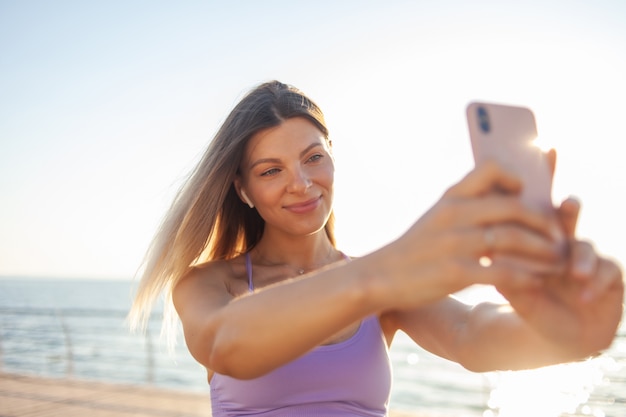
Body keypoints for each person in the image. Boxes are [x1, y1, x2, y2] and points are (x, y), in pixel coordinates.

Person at [129, 80, 623, 417]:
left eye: (313, 158)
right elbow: (224, 344)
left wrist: (568, 335)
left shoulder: (379, 282)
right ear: (243, 190)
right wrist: (384, 273)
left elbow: (471, 332)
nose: (301, 184)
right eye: (271, 170)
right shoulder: (210, 284)